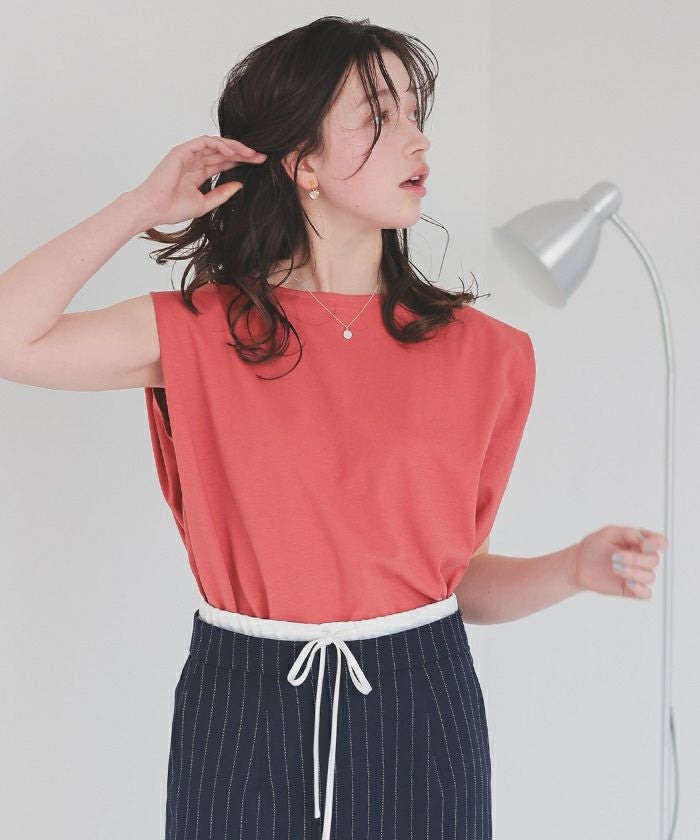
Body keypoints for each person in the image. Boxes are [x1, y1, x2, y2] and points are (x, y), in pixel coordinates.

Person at [0, 15, 667, 840]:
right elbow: (11, 337)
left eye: (416, 113)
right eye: (379, 115)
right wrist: (142, 206)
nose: (418, 139)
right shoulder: (198, 332)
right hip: (240, 704)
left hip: (423, 708)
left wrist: (573, 568)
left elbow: (454, 584)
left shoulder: (486, 355)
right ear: (302, 162)